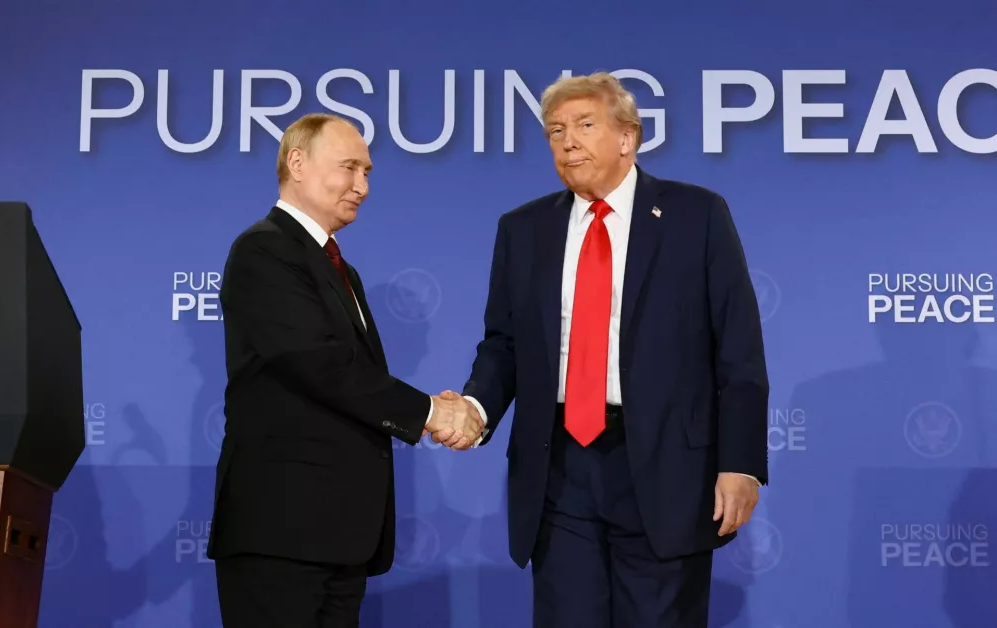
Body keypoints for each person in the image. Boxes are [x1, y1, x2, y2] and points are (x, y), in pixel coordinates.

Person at [445, 73, 769, 627]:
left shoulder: (697, 216)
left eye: (584, 125)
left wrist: (740, 463)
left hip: (667, 467)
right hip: (560, 465)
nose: (567, 141)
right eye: (555, 131)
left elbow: (738, 349)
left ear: (628, 137)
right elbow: (504, 343)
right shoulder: (523, 230)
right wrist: (476, 408)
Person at [206, 113, 482, 628]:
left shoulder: (339, 267)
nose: (363, 185)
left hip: (338, 533)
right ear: (297, 163)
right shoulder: (263, 248)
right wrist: (430, 412)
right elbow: (320, 365)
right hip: (282, 532)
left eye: (369, 172)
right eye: (350, 168)